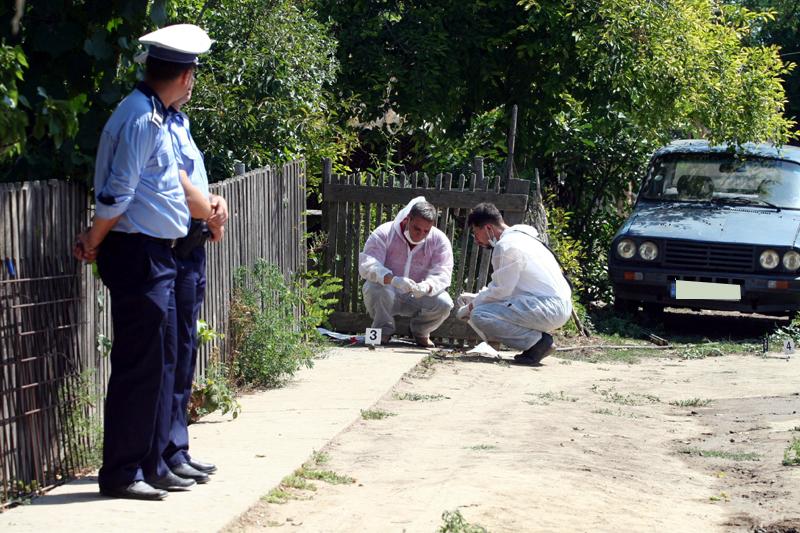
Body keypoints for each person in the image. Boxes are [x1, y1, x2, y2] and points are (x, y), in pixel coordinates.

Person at [73, 23, 212, 501]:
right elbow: (116, 193)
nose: (193, 82)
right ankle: (121, 473)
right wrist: (94, 239)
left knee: (161, 360)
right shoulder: (138, 118)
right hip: (137, 252)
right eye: (193, 74)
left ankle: (152, 463)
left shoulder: (154, 113)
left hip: (158, 253)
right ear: (184, 76)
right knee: (139, 364)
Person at [160, 92, 228, 485]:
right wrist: (211, 214)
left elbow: (199, 187)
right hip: (172, 246)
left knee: (185, 351)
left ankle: (176, 447)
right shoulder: (155, 124)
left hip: (192, 245)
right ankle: (163, 452)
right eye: (189, 73)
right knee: (168, 354)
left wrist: (215, 206)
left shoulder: (181, 123)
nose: (192, 83)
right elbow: (181, 187)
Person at [456, 202, 572, 365]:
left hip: (548, 307)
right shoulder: (523, 238)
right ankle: (537, 343)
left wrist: (470, 307)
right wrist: (477, 297)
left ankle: (538, 344)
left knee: (480, 315)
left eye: (476, 233)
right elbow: (509, 289)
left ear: (488, 228)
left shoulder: (506, 246)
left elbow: (501, 291)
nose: (476, 240)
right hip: (555, 305)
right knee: (481, 308)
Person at [359, 197, 454, 347]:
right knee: (373, 288)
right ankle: (382, 331)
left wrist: (427, 286)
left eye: (426, 231)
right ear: (408, 219)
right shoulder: (385, 232)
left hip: (418, 295)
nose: (421, 234)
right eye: (417, 228)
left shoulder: (439, 240)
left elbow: (443, 272)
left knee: (445, 303)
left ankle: (421, 332)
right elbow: (368, 264)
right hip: (388, 291)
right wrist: (392, 279)